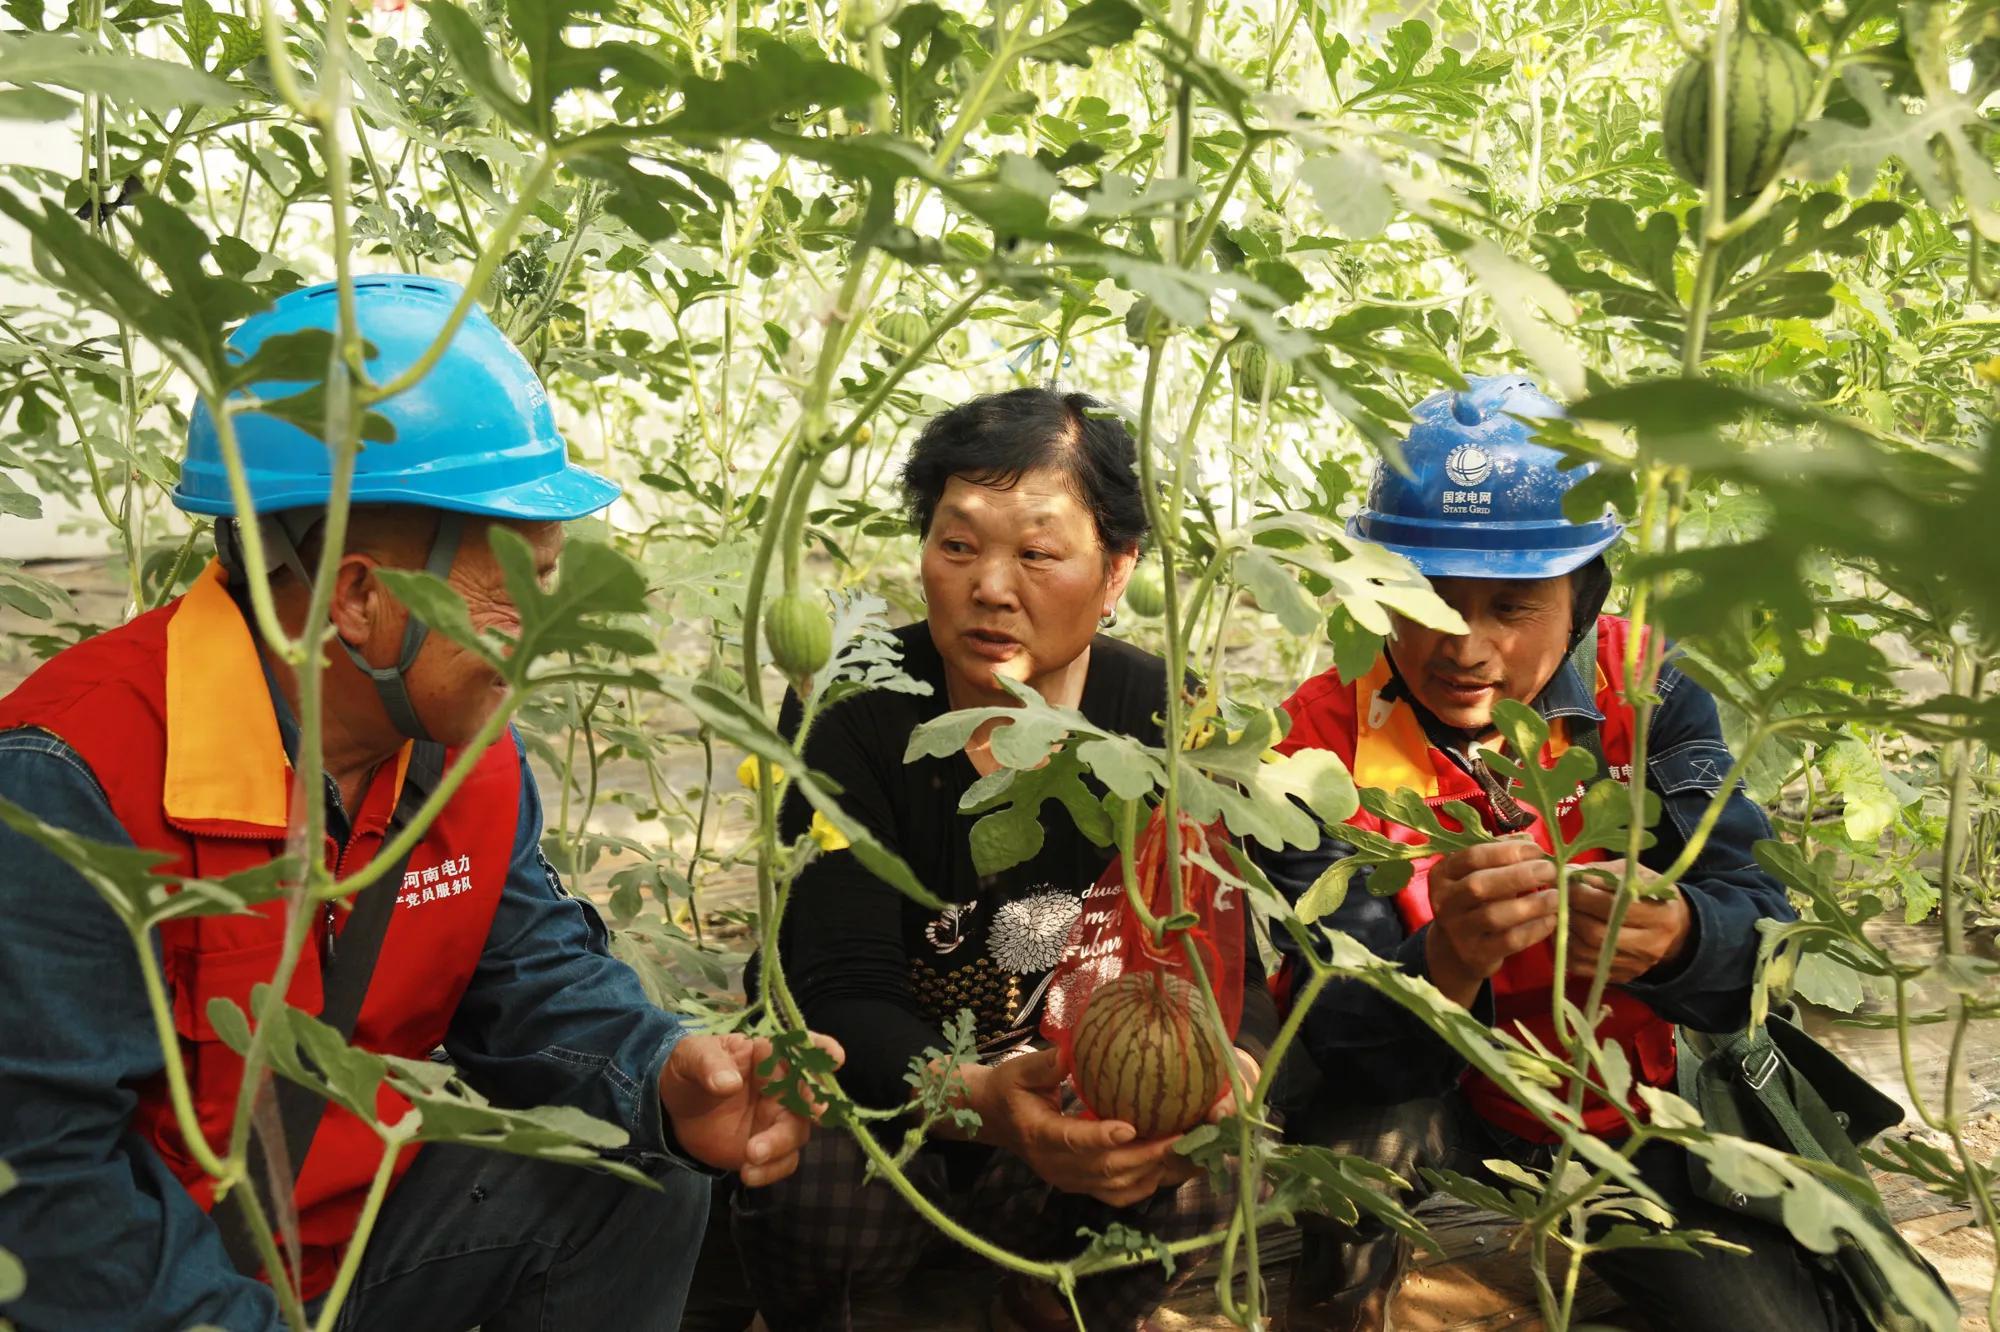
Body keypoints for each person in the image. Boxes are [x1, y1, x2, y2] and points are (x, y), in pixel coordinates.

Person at [0, 275, 834, 1332]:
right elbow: (45, 1182)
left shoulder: (459, 754)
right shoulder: (68, 780)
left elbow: (531, 975)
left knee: (632, 1183)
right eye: (514, 589)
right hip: (152, 1273)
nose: (544, 632)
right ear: (357, 597)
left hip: (349, 1240)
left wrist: (666, 1077)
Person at [1259, 375, 1850, 1331]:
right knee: (1353, 1154)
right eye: (1430, 602)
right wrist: (1446, 961)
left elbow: (1767, 927)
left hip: (1627, 1093)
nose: (1467, 648)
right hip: (1426, 1090)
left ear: (1582, 598)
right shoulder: (1314, 743)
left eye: (1512, 606)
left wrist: (1679, 935)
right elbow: (1334, 1032)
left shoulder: (1649, 687)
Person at [726, 387, 1278, 1332]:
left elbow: (1226, 966)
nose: (990, 585)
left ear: (1117, 573)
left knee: (1211, 1172)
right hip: (901, 1107)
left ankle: (1040, 1310)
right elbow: (837, 982)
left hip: (1079, 1106)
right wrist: (982, 1103)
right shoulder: (852, 703)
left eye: (1036, 553)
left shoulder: (1166, 719)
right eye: (958, 544)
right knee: (815, 1190)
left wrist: (1227, 1069)